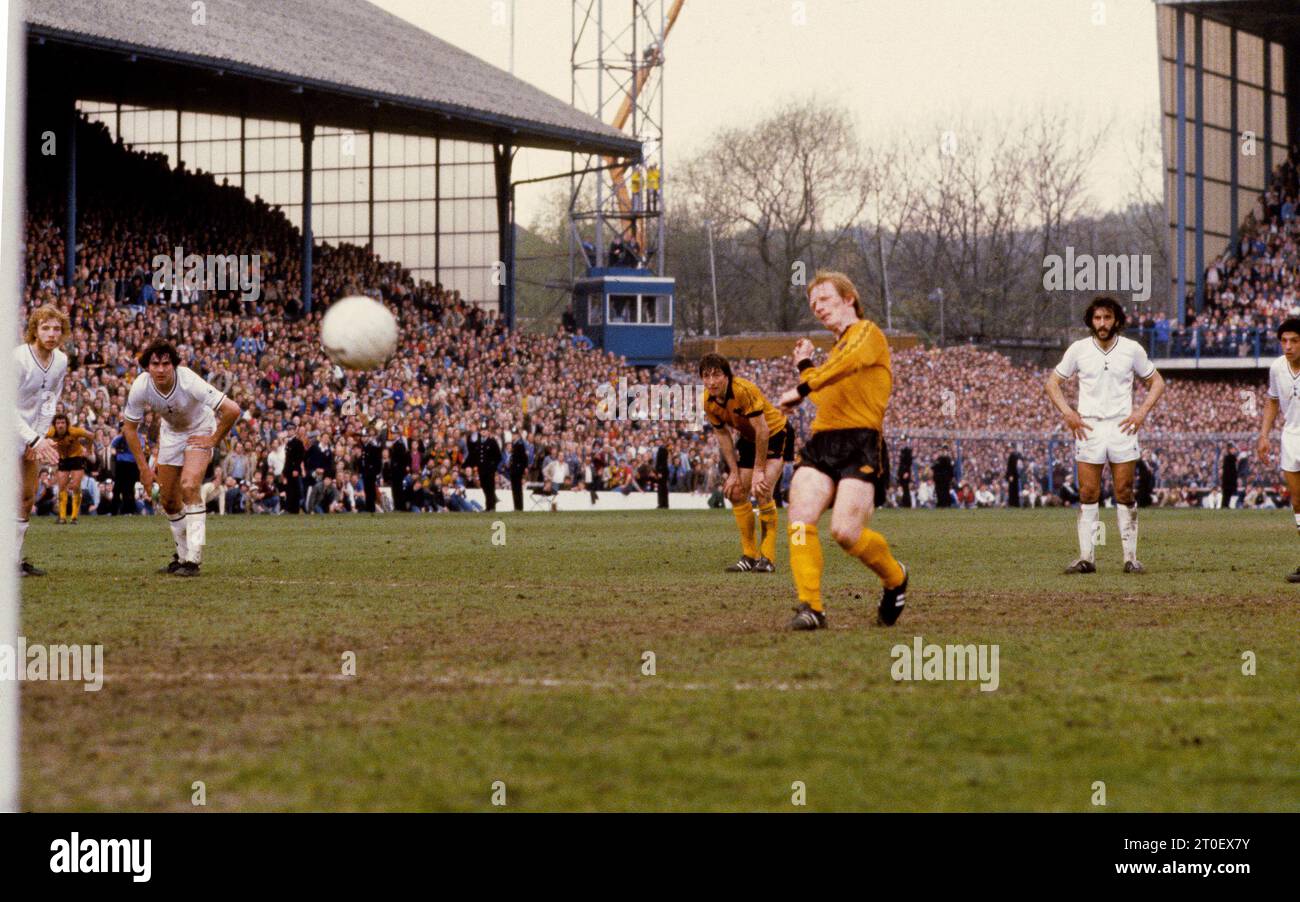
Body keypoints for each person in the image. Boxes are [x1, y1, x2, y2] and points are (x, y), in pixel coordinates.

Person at [776, 271, 908, 630]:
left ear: (849, 298)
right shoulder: (835, 353)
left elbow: (844, 366)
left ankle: (895, 578)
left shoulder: (868, 334)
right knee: (800, 517)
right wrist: (805, 367)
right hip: (823, 442)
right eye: (813, 303)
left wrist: (802, 387)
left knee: (846, 532)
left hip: (861, 443)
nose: (818, 307)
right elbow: (827, 395)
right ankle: (812, 607)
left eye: (825, 298)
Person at [1046, 296, 1166, 574]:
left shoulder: (1131, 349)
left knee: (1124, 490)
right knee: (1089, 491)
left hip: (1122, 426)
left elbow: (1157, 382)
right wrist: (1067, 412)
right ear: (1091, 320)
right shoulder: (1079, 349)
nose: (1102, 324)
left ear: (1117, 320)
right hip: (1089, 427)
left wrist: (1141, 412)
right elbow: (1052, 383)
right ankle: (1086, 557)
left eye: (1107, 318)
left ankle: (1130, 558)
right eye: (1098, 318)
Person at [121, 338, 242, 576]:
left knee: (189, 486)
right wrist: (144, 468)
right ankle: (182, 554)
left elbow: (232, 409)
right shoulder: (141, 386)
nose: (161, 369)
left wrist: (214, 439)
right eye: (155, 364)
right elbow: (129, 429)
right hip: (171, 434)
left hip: (199, 429)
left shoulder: (187, 379)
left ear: (173, 365)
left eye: (166, 364)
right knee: (168, 501)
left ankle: (193, 560)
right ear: (147, 366)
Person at [701, 353, 795, 573]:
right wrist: (733, 472)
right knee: (735, 492)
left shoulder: (744, 390)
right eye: (706, 376)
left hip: (774, 433)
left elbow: (762, 430)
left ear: (726, 376)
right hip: (748, 438)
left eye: (716, 375)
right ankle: (749, 556)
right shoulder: (707, 400)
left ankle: (768, 558)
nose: (711, 381)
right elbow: (723, 435)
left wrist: (759, 470)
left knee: (761, 490)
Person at [15, 305, 69, 576]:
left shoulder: (60, 361)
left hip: (29, 435)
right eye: (45, 328)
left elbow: (49, 402)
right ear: (34, 330)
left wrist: (36, 439)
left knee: (25, 497)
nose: (51, 333)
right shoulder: (18, 359)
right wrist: (33, 439)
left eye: (56, 328)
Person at [1256, 317, 1300, 582]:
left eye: (1294, 341)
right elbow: (1272, 401)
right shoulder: (1276, 368)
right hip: (1291, 437)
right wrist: (1264, 435)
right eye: (1284, 341)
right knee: (1298, 503)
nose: (1288, 346)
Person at [47, 413, 94, 524]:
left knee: (76, 486)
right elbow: (39, 437)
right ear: (54, 425)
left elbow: (91, 435)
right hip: (63, 460)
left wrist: (89, 449)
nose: (60, 425)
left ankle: (74, 517)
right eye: (58, 423)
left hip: (76, 458)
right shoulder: (51, 432)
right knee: (62, 486)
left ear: (67, 424)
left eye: (63, 423)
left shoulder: (74, 431)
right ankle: (62, 518)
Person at [509, 431, 528, 511]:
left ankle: (519, 507)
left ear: (517, 435)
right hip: (513, 470)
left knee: (518, 489)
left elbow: (524, 458)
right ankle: (516, 506)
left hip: (517, 470)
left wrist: (522, 468)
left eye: (514, 434)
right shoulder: (514, 444)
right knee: (514, 489)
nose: (512, 436)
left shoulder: (520, 444)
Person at [1221, 443, 1239, 510]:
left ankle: (1226, 505)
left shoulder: (1229, 458)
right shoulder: (1229, 458)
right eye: (1233, 449)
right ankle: (1224, 505)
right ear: (1230, 450)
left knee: (1228, 493)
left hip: (1229, 479)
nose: (1234, 450)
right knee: (1226, 493)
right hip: (1228, 479)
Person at [897, 442, 913, 508]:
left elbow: (908, 463)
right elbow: (901, 463)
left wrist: (906, 472)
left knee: (906, 489)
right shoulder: (902, 450)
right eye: (902, 441)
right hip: (901, 472)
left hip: (905, 472)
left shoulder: (907, 451)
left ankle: (907, 504)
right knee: (903, 488)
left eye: (904, 440)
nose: (902, 442)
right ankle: (904, 503)